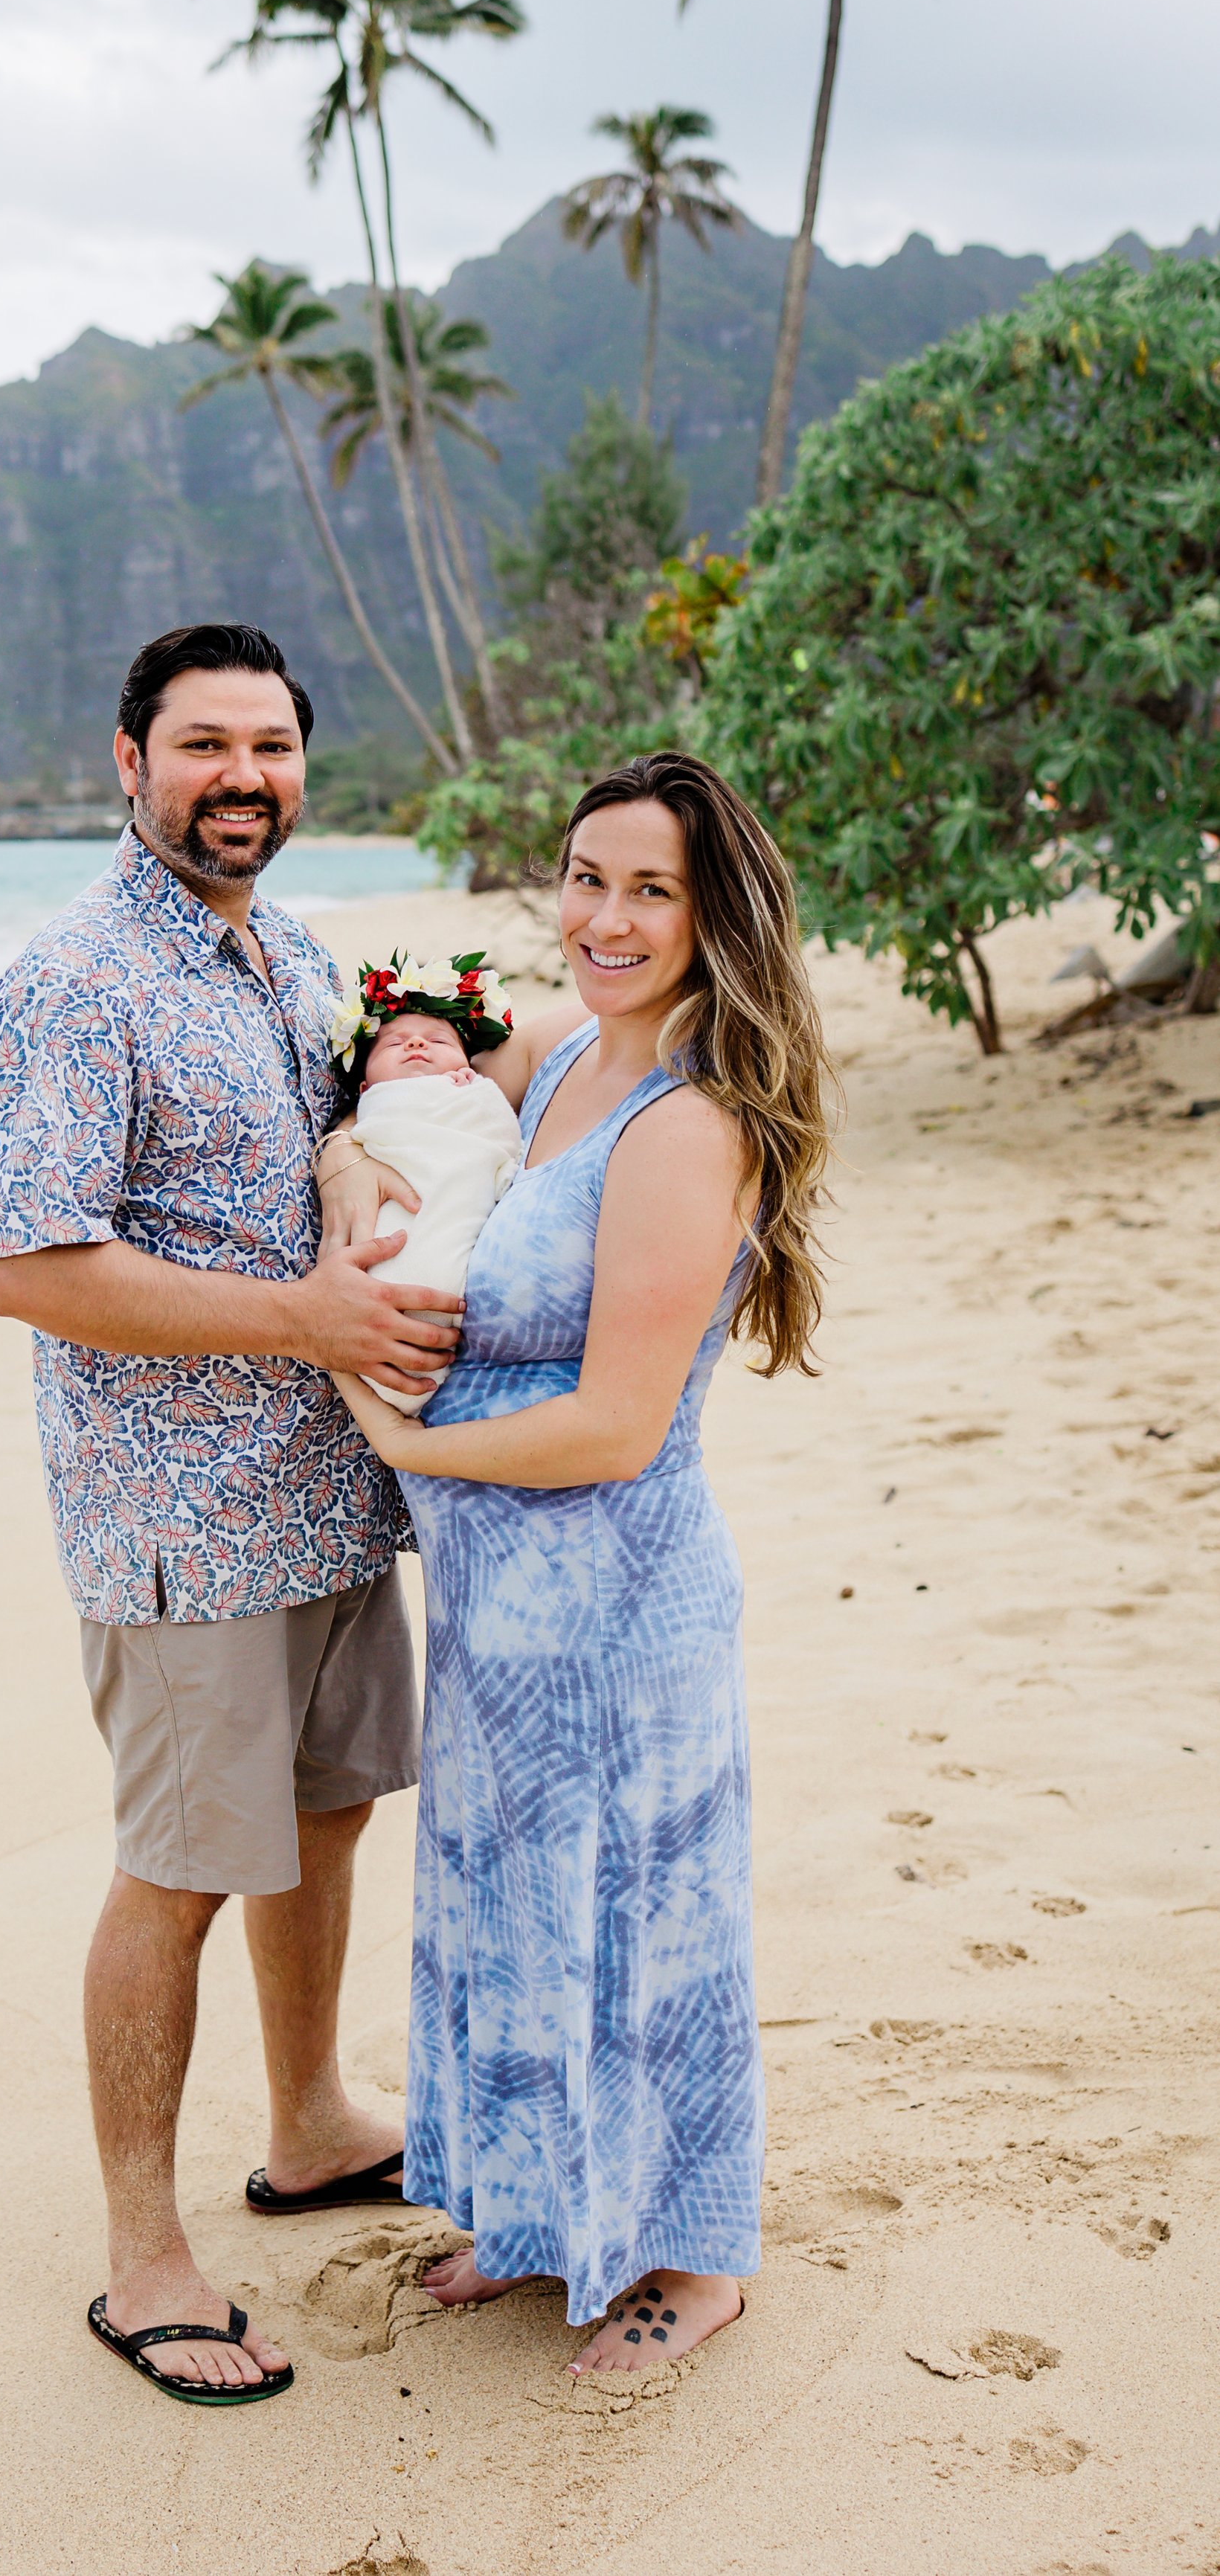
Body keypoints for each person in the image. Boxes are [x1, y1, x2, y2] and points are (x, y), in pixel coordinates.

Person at [0, 623, 460, 2408]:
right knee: (175, 1870)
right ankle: (140, 2251)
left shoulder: (294, 954)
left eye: (270, 743)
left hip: (335, 1494)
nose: (242, 775)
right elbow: (29, 1263)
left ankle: (317, 2117)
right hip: (179, 1522)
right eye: (203, 744)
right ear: (128, 760)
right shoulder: (75, 978)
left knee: (325, 1820)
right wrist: (305, 1317)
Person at [332, 750, 833, 2378]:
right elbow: (393, 1116)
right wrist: (348, 1177)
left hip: (618, 1601)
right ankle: (537, 2212)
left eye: (649, 890)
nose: (605, 917)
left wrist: (407, 1450)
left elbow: (617, 1427)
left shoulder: (688, 1124)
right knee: (510, 1905)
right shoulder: (552, 1061)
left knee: (643, 1921)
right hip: (495, 1606)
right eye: (585, 878)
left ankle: (690, 2264)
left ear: (712, 916)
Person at [323, 957, 522, 1406]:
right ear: (365, 1087)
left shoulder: (471, 1094)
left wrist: (472, 1095)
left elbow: (501, 1143)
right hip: (383, 1252)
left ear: (469, 1065)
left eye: (438, 1040)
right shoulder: (369, 1111)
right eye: (393, 1044)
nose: (415, 1041)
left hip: (455, 1226)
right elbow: (366, 1131)